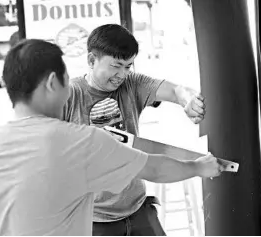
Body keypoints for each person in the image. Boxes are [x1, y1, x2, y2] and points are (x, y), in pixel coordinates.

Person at [0, 39, 222, 236]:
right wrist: (198, 166)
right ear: (53, 83)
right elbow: (153, 167)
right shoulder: (82, 141)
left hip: (136, 209)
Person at [62, 24, 208, 236]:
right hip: (91, 220)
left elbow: (177, 91)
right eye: (116, 66)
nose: (122, 74)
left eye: (128, 66)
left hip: (138, 209)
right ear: (91, 60)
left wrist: (189, 100)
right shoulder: (68, 95)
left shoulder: (132, 84)